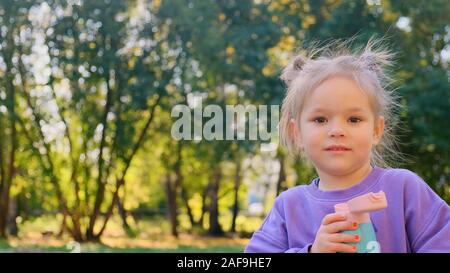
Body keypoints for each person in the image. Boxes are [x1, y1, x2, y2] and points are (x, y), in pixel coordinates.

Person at [245, 38, 450, 253]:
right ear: (298, 133)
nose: (337, 130)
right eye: (320, 120)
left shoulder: (403, 189)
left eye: (353, 119)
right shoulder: (289, 207)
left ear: (376, 130)